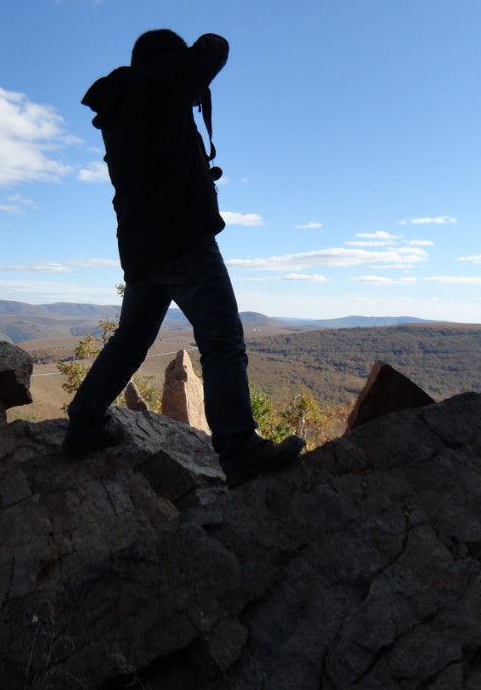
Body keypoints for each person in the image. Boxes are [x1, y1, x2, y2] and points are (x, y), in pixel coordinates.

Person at [62, 29, 305, 488]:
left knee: (130, 340)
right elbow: (214, 50)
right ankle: (239, 447)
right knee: (222, 338)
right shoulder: (151, 87)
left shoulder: (124, 107)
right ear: (164, 65)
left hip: (142, 249)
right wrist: (192, 52)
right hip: (182, 239)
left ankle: (84, 421)